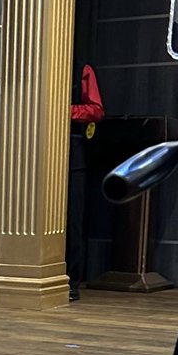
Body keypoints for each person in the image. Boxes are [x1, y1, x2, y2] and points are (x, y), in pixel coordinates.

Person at [67, 62, 104, 302]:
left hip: (73, 153)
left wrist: (63, 111)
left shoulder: (82, 68)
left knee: (72, 221)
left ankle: (72, 281)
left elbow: (96, 110)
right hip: (37, 153)